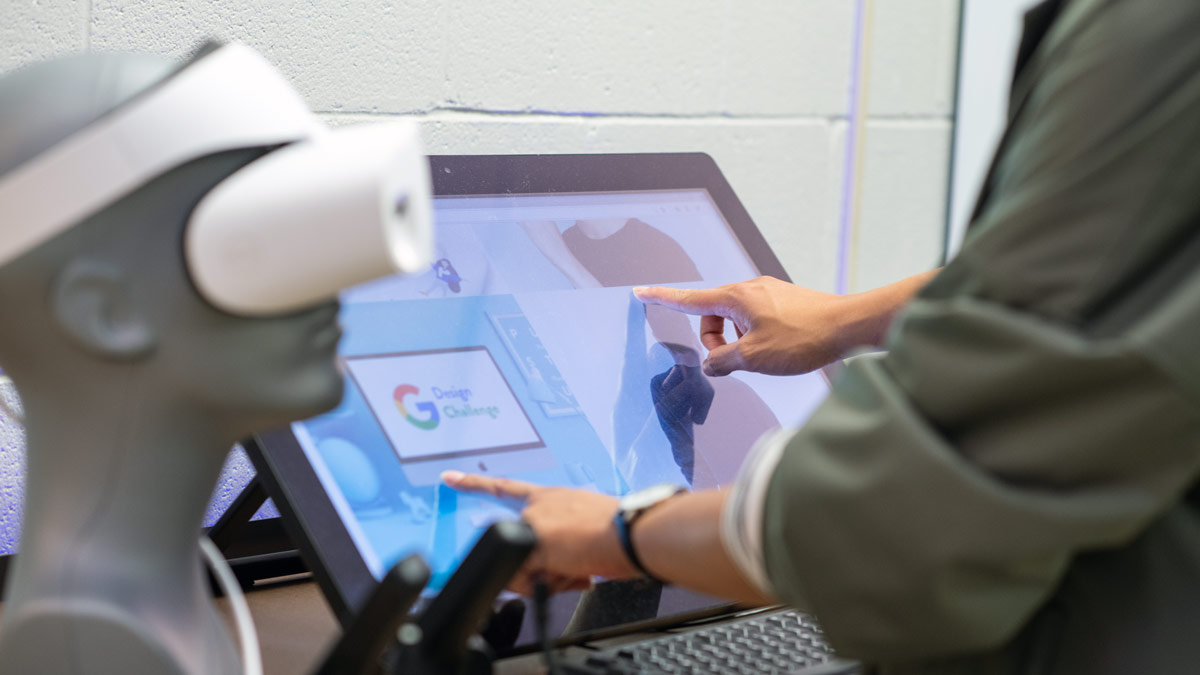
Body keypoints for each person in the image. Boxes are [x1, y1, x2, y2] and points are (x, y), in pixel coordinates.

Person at [445, 0, 1200, 672]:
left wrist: (620, 532)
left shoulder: (1159, 33)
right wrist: (850, 318)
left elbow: (903, 507)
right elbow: (1125, 274)